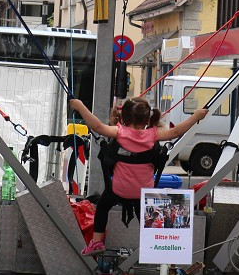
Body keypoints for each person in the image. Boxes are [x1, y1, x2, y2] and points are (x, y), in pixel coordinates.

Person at [70, 96, 207, 255]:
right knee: (145, 213)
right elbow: (177, 131)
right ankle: (153, 244)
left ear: (123, 117)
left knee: (102, 206)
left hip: (118, 191)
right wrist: (196, 116)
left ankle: (97, 242)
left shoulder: (119, 132)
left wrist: (79, 105)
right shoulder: (154, 135)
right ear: (148, 119)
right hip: (144, 193)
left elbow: (97, 126)